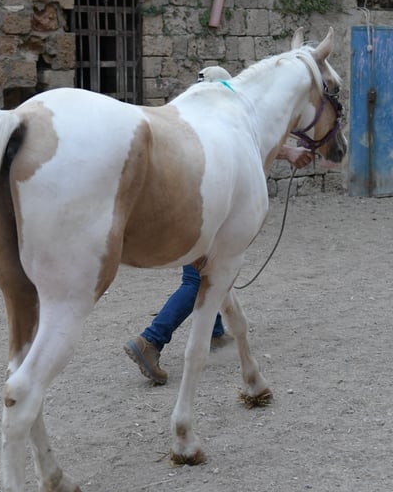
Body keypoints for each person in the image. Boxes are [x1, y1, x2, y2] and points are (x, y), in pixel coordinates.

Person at [124, 66, 314, 384]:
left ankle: (214, 332)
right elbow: (254, 140)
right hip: (203, 211)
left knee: (211, 274)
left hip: (190, 205)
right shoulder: (212, 121)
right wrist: (291, 151)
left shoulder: (187, 118)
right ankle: (151, 340)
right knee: (197, 280)